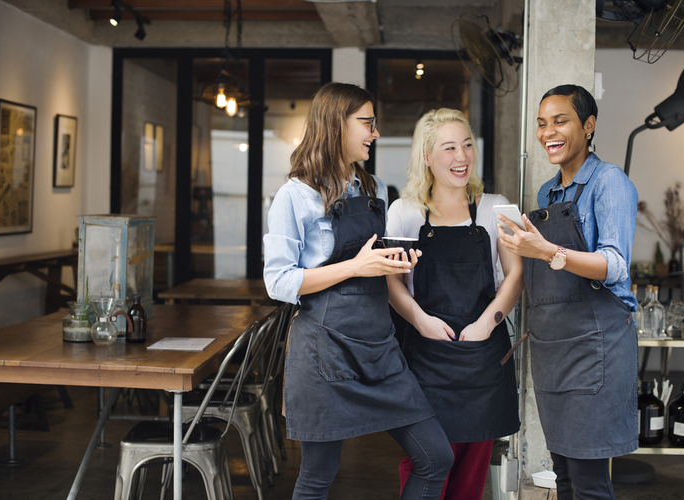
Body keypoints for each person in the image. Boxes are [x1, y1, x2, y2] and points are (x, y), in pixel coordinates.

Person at [263, 82, 453, 500]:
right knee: (318, 475)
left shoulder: (373, 189)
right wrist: (356, 266)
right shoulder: (294, 196)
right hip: (323, 349)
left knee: (436, 457)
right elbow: (278, 282)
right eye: (366, 123)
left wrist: (393, 262)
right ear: (336, 125)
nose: (375, 133)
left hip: (378, 346)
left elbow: (373, 261)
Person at [498, 84, 639, 500]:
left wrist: (547, 250)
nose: (548, 133)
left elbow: (615, 265)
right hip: (553, 347)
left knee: (589, 480)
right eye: (542, 124)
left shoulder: (609, 182)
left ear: (588, 125)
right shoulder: (548, 193)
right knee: (563, 475)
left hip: (595, 346)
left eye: (560, 121)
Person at [386, 108, 524, 500]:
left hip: (482, 357)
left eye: (467, 145)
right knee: (427, 461)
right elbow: (392, 284)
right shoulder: (406, 212)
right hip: (425, 358)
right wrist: (420, 320)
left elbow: (515, 276)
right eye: (449, 148)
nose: (461, 157)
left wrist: (488, 323)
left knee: (471, 471)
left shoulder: (496, 208)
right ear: (427, 156)